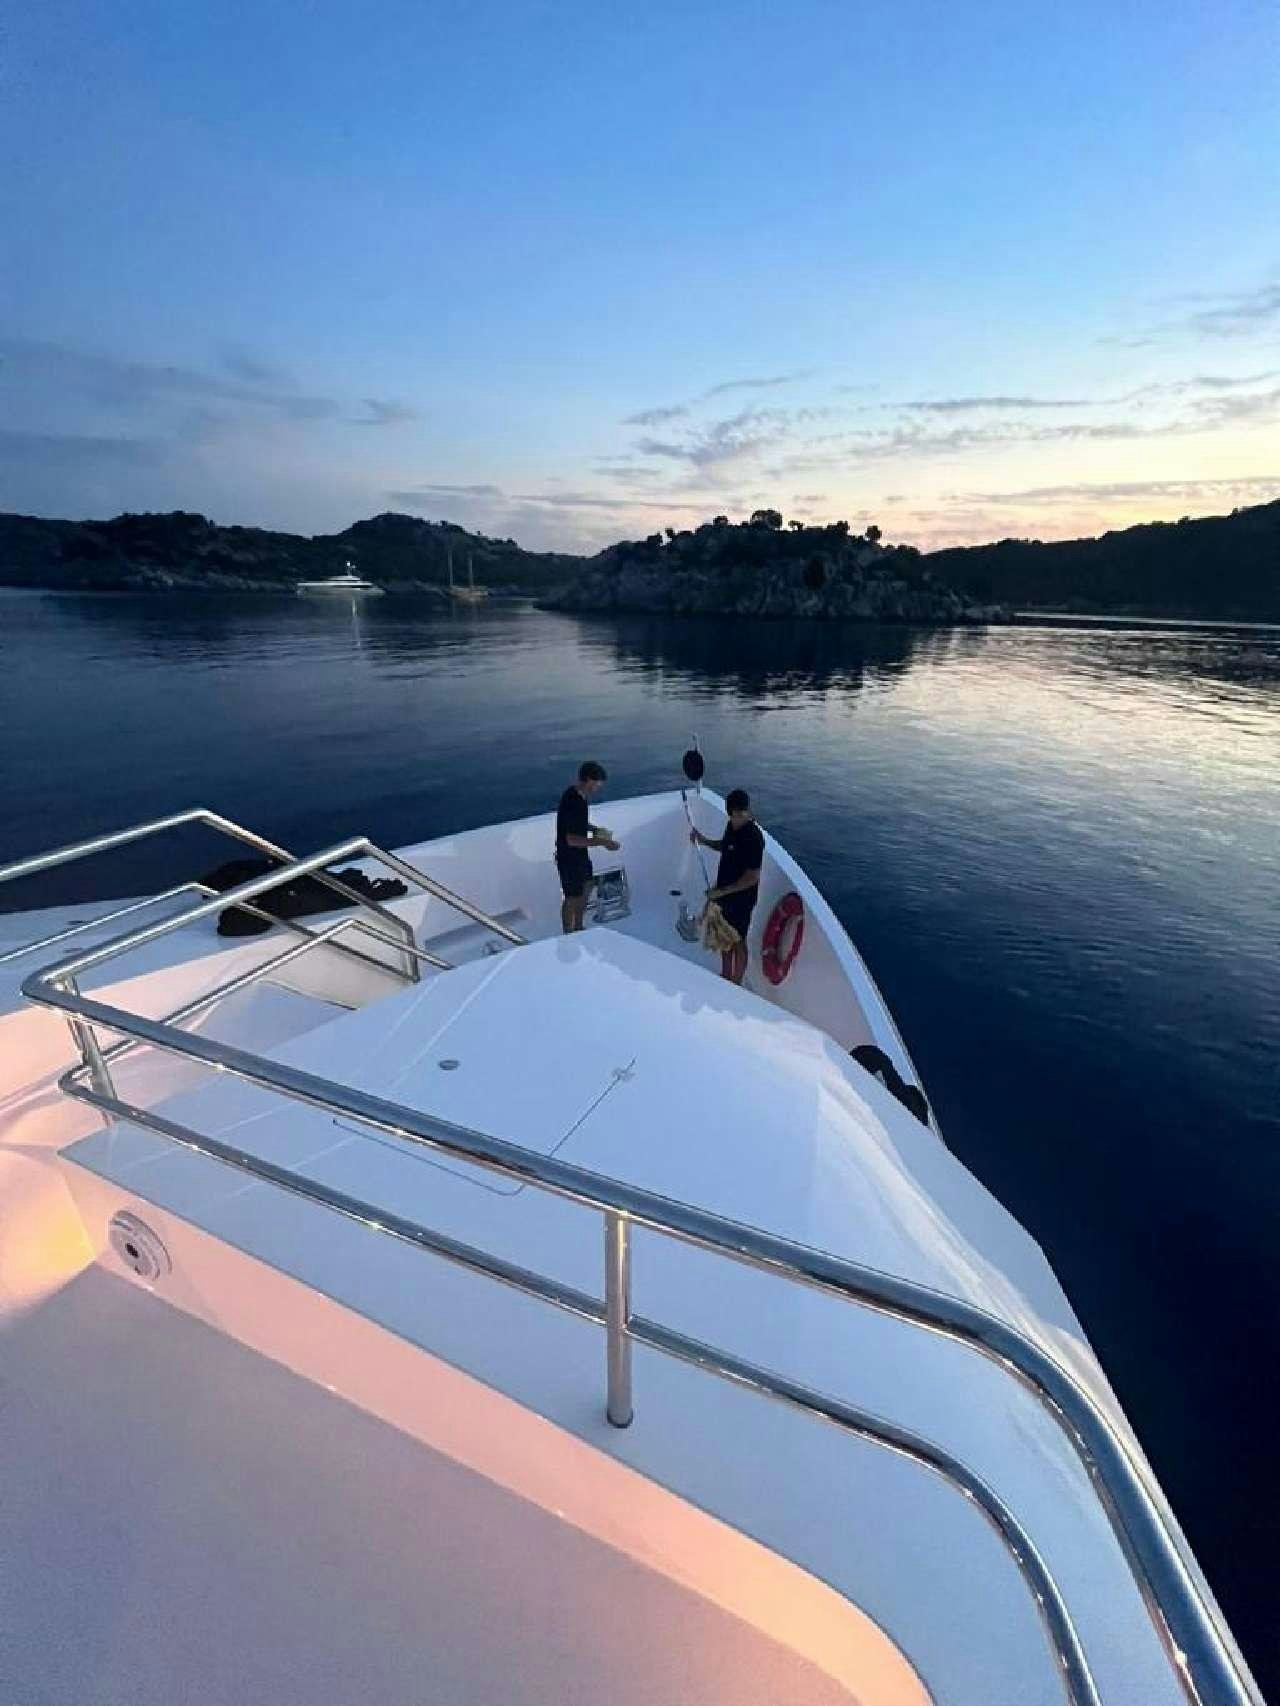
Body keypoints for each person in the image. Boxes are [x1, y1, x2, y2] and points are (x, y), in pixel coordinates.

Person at [690, 787, 764, 984]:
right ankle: (725, 976)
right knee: (724, 936)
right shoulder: (731, 827)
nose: (741, 817)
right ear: (729, 813)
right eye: (736, 814)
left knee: (739, 941)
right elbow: (725, 845)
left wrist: (721, 891)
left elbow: (752, 877)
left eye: (744, 813)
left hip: (742, 900)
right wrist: (703, 840)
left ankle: (736, 982)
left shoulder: (754, 838)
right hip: (723, 895)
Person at [555, 760, 619, 933]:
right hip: (568, 857)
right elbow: (571, 839)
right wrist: (603, 842)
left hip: (580, 855)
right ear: (588, 779)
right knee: (572, 897)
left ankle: (579, 926)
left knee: (588, 884)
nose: (598, 787)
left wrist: (595, 829)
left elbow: (578, 824)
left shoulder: (580, 796)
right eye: (597, 783)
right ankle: (568, 932)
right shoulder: (573, 800)